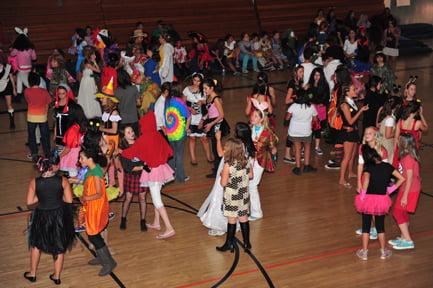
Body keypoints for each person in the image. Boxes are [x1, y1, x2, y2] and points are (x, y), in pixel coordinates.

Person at [122, 111, 176, 239]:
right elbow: (169, 152)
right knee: (156, 196)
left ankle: (169, 228)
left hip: (153, 172)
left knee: (157, 201)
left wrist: (121, 152)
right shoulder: (158, 135)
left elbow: (130, 153)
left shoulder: (144, 138)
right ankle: (157, 223)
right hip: (162, 169)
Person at [197, 122, 256, 236]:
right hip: (240, 182)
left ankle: (221, 226)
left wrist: (218, 139)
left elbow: (220, 153)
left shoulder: (236, 146)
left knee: (221, 200)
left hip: (230, 178)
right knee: (240, 208)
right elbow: (250, 173)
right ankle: (244, 239)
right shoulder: (247, 145)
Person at [24, 155, 75, 285]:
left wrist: (41, 198)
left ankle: (33, 274)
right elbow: (69, 200)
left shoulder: (34, 182)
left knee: (36, 244)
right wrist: (58, 197)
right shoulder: (63, 180)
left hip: (42, 216)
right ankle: (57, 276)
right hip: (59, 215)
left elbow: (29, 202)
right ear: (54, 166)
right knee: (59, 246)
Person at [354, 145, 404, 260]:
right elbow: (402, 178)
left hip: (368, 199)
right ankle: (383, 251)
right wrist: (390, 190)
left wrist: (362, 196)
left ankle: (365, 252)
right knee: (380, 226)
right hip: (381, 199)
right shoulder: (387, 167)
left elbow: (366, 181)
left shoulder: (368, 167)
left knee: (366, 226)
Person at [78, 148, 117, 276]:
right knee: (91, 234)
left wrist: (85, 198)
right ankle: (102, 258)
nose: (80, 160)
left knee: (93, 234)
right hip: (91, 206)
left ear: (90, 159)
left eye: (82, 158)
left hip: (96, 207)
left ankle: (109, 262)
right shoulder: (92, 170)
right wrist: (77, 181)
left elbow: (99, 193)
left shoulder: (95, 174)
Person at [217, 137, 253, 253]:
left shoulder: (228, 165)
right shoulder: (246, 161)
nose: (225, 148)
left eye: (226, 147)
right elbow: (251, 176)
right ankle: (247, 243)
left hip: (231, 196)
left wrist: (222, 174)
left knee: (231, 219)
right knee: (243, 218)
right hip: (243, 194)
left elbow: (223, 183)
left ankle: (229, 244)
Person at [388, 133, 421, 250]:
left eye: (398, 140)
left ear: (403, 143)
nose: (396, 141)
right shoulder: (406, 156)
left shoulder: (407, 158)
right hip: (407, 188)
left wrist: (405, 196)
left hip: (410, 190)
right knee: (402, 212)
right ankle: (403, 237)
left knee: (397, 213)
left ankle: (408, 240)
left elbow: (410, 178)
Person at [249, 104, 277, 220]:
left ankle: (257, 212)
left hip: (261, 160)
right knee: (249, 184)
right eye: (252, 115)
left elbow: (272, 146)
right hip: (249, 160)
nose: (252, 117)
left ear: (261, 119)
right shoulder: (249, 129)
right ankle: (250, 208)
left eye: (255, 116)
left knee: (252, 185)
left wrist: (273, 152)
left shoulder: (267, 132)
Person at [118, 126, 149, 231]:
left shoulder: (140, 143)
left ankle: (143, 220)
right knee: (128, 198)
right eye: (128, 132)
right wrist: (142, 167)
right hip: (132, 176)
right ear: (124, 136)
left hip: (142, 175)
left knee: (143, 198)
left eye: (132, 131)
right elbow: (128, 167)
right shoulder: (124, 150)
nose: (131, 133)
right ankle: (123, 218)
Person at [338, 83, 369, 187]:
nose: (355, 91)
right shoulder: (345, 105)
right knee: (346, 156)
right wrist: (361, 110)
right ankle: (342, 179)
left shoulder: (352, 102)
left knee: (353, 154)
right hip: (348, 132)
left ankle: (350, 172)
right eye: (353, 89)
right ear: (347, 92)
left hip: (354, 131)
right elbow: (350, 121)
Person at [200, 78, 229, 178]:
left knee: (217, 148)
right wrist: (204, 118)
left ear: (212, 88)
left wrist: (211, 124)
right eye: (203, 88)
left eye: (206, 88)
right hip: (212, 122)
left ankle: (219, 170)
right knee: (214, 147)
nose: (204, 90)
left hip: (217, 123)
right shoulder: (209, 97)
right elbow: (211, 110)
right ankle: (218, 166)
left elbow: (221, 115)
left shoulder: (216, 99)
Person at [286, 89, 318, 176]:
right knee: (307, 148)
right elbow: (315, 119)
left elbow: (287, 117)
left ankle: (298, 167)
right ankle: (307, 166)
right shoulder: (311, 107)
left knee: (297, 149)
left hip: (294, 131)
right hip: (306, 131)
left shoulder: (293, 106)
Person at [183, 72, 213, 165]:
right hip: (191, 118)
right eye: (194, 80)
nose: (196, 83)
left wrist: (203, 102)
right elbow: (182, 103)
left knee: (204, 138)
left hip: (202, 117)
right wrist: (190, 109)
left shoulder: (204, 90)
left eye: (198, 81)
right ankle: (193, 158)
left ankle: (209, 156)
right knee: (192, 138)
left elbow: (210, 102)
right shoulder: (187, 90)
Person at [164, 82, 191, 182]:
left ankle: (170, 176)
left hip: (170, 132)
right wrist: (187, 128)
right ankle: (180, 177)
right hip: (179, 132)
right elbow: (188, 116)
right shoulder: (180, 101)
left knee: (172, 154)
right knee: (179, 155)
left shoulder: (167, 101)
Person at [24, 72, 52, 159]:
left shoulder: (27, 91)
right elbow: (48, 103)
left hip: (31, 116)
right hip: (42, 116)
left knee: (31, 135)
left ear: (29, 81)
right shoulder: (44, 91)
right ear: (39, 81)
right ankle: (47, 153)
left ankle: (34, 153)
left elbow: (28, 101)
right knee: (45, 135)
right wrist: (46, 113)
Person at [283, 65, 306, 164]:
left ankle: (294, 153)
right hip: (291, 112)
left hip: (297, 112)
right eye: (301, 72)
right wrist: (298, 97)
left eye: (303, 72)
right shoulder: (292, 84)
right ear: (296, 73)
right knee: (290, 135)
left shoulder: (300, 82)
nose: (303, 74)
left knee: (294, 134)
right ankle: (287, 155)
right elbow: (287, 100)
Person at [308, 67, 329, 155]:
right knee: (308, 127)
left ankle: (317, 146)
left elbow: (326, 97)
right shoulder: (310, 85)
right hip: (311, 107)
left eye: (318, 75)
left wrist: (322, 103)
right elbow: (309, 96)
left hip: (320, 109)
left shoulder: (324, 85)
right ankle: (306, 145)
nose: (316, 77)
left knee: (317, 128)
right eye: (315, 75)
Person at [10, 27, 37, 96]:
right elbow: (34, 58)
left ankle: (32, 92)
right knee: (20, 78)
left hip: (21, 67)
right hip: (28, 67)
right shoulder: (31, 48)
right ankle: (19, 91)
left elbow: (12, 54)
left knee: (26, 82)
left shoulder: (17, 48)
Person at [77, 46, 102, 119]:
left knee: (90, 96)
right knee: (89, 96)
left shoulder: (85, 62)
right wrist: (94, 61)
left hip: (88, 80)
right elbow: (98, 70)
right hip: (88, 81)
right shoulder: (87, 64)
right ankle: (89, 112)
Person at [377, 96, 402, 165]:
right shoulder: (390, 119)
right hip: (387, 145)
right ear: (397, 106)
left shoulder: (385, 115)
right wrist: (398, 132)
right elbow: (388, 135)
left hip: (382, 143)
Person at [53, 84, 76, 151]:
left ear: (67, 93)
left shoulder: (71, 104)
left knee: (69, 150)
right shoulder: (57, 103)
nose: (61, 96)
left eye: (63, 93)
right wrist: (55, 133)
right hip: (59, 133)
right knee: (60, 150)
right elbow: (56, 121)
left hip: (68, 132)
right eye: (59, 94)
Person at [0, 58, 17, 129]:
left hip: (7, 86)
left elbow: (12, 78)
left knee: (9, 105)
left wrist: (14, 89)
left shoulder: (8, 67)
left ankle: (12, 122)